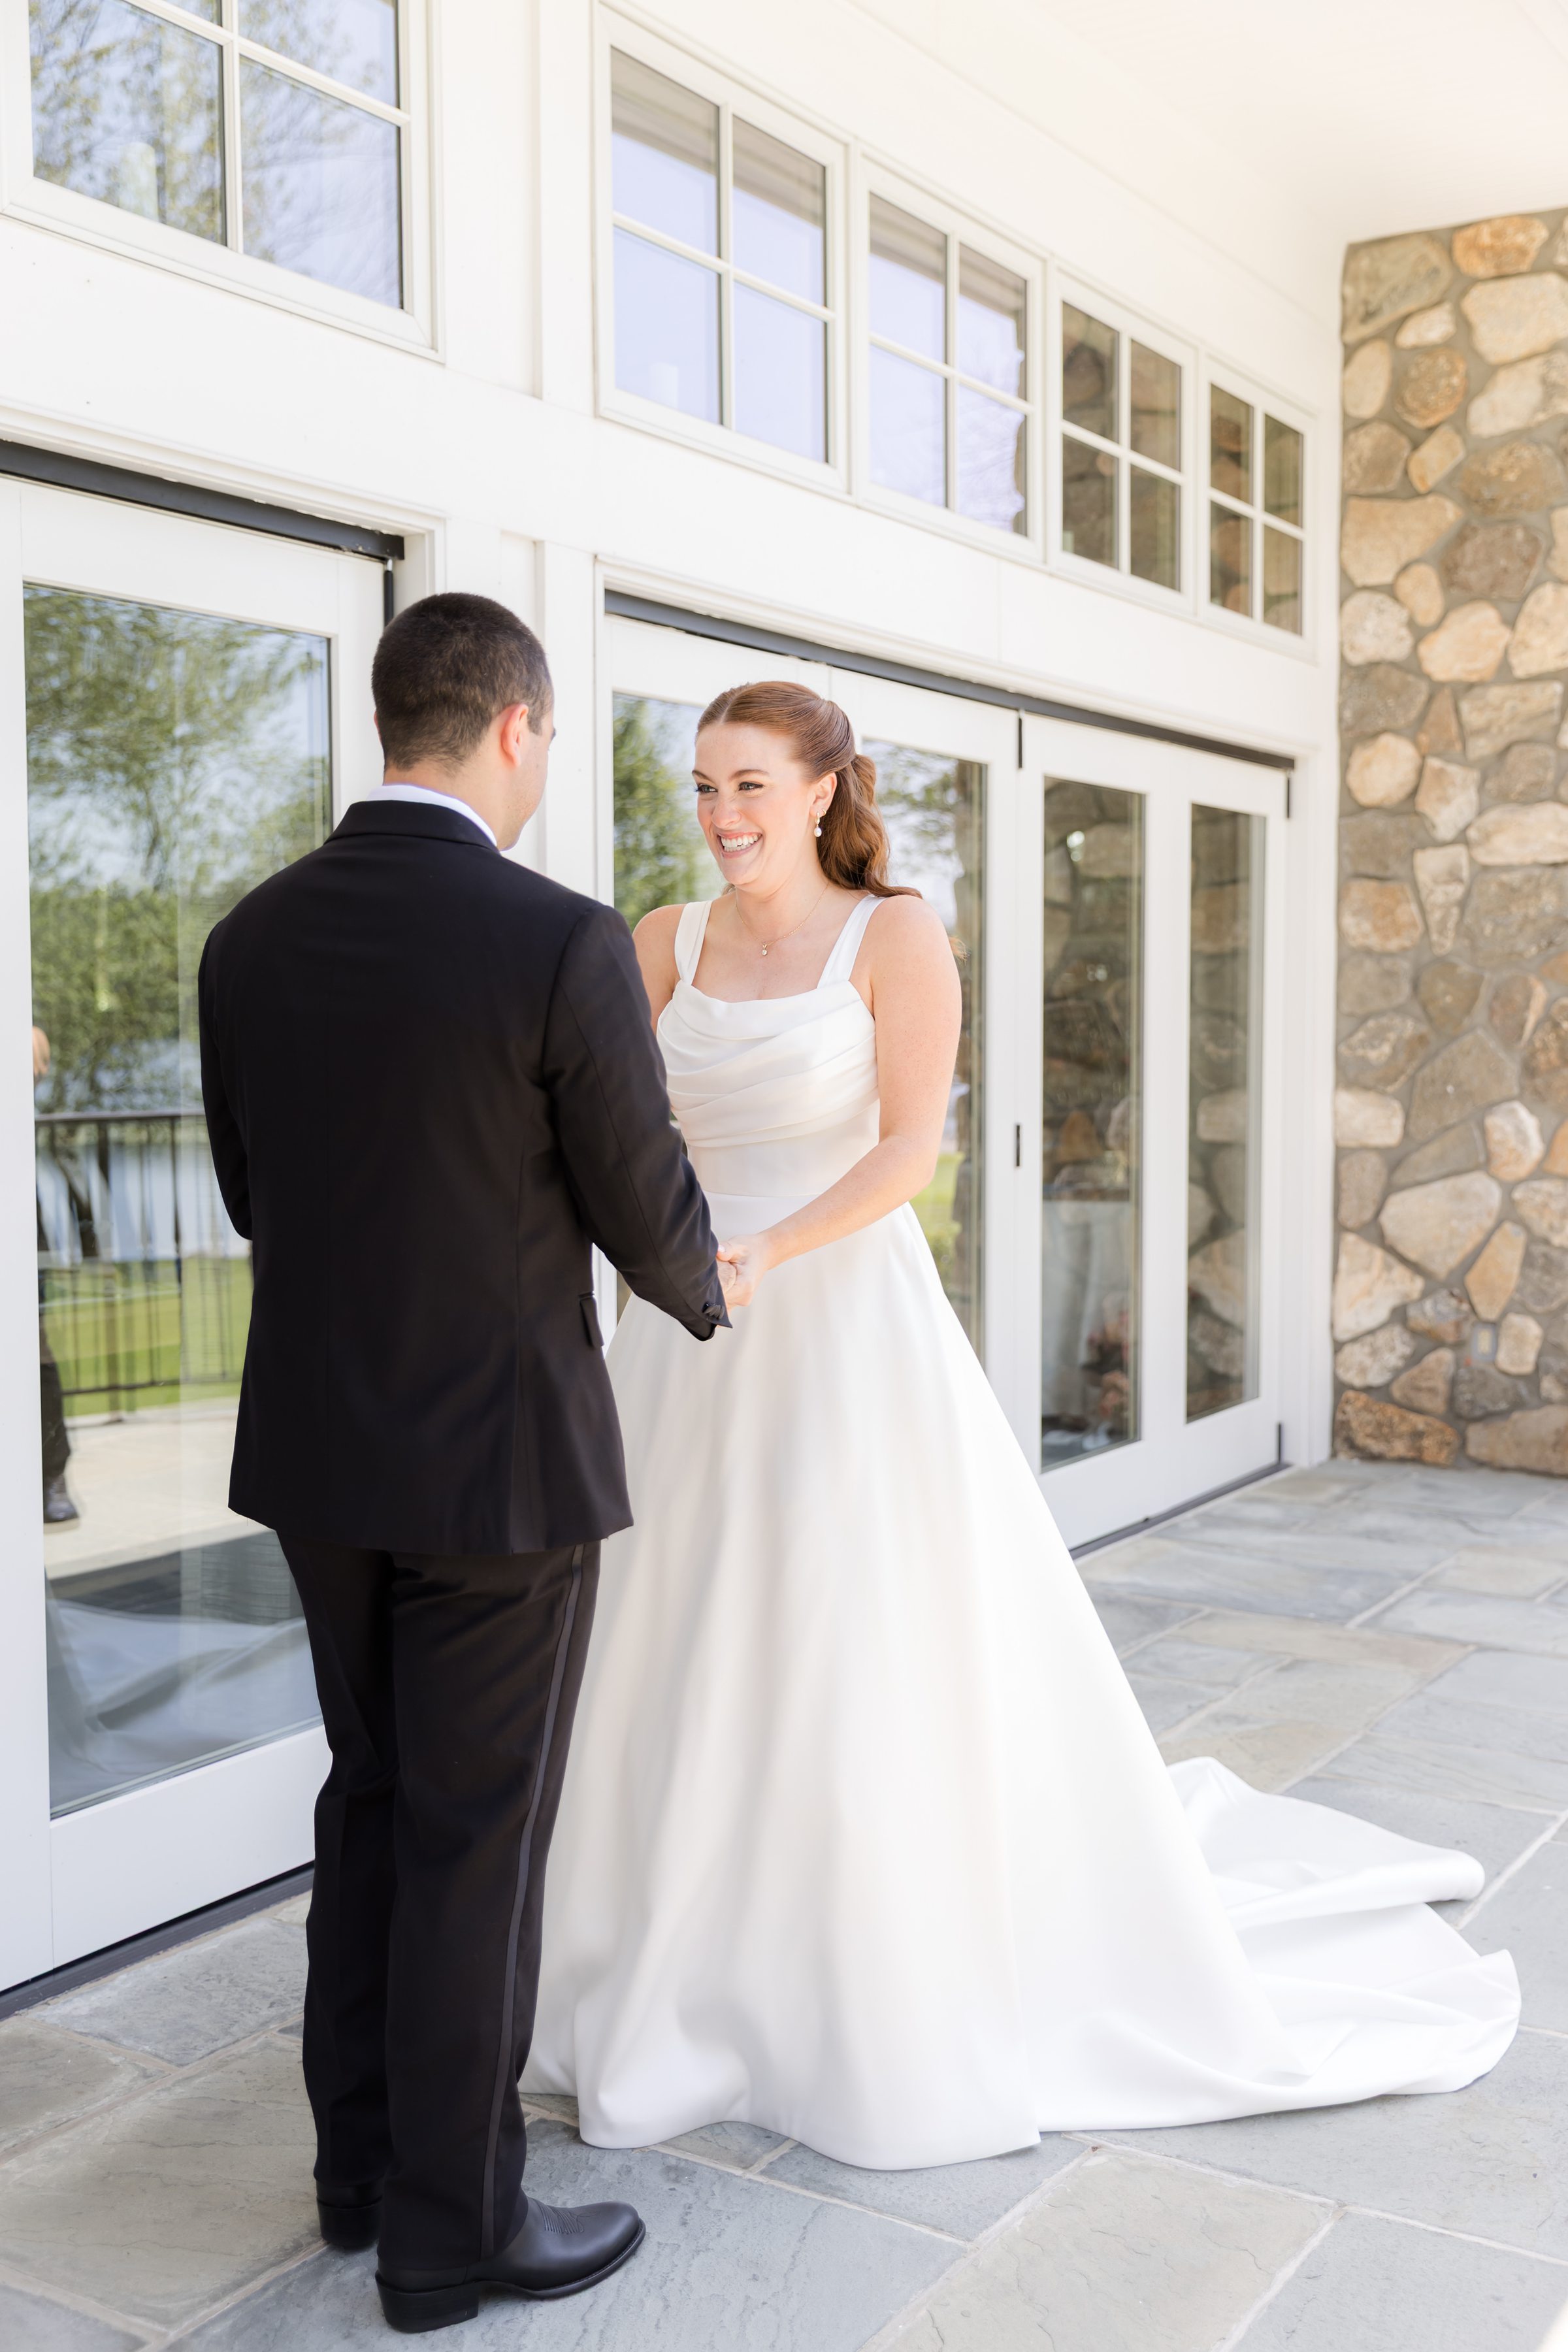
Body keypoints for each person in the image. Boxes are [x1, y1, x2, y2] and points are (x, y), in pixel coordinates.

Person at [524, 679, 1520, 2168]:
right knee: (665, 1626)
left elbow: (910, 1149)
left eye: (749, 786)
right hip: (679, 1331)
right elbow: (600, 1125)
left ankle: (851, 1960)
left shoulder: (896, 934)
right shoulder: (662, 941)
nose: (723, 816)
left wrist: (767, 1254)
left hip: (835, 1318)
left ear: (821, 789)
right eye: (704, 788)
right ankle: (654, 1953)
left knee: (839, 1630)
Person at [198, 595, 730, 2334]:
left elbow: (251, 1191)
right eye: (552, 737)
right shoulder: (558, 937)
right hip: (500, 1471)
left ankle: (357, 2170)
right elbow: (645, 1203)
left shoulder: (249, 939)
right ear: (515, 726)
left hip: (321, 1452)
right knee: (474, 1840)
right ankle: (452, 2232)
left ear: (389, 724)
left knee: (369, 1797)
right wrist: (711, 1293)